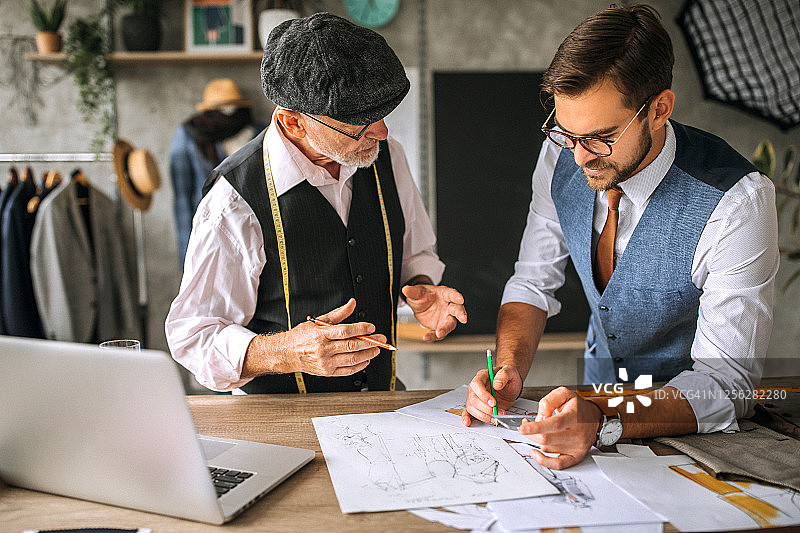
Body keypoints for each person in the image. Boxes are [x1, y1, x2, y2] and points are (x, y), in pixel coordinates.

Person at [463, 4, 778, 469]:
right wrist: (508, 366)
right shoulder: (563, 158)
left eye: (600, 137)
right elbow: (531, 283)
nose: (580, 156)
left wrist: (608, 415)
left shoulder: (737, 201)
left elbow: (726, 383)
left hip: (698, 427)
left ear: (659, 110)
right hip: (599, 394)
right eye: (566, 134)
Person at [166, 12, 467, 394]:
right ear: (294, 123)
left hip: (378, 403)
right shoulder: (232, 201)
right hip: (281, 424)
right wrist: (286, 352)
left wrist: (423, 289)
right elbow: (193, 338)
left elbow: (413, 254)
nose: (382, 131)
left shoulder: (386, 155)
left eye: (382, 114)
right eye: (359, 122)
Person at [169, 78, 264, 266]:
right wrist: (188, 254)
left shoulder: (261, 132)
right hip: (209, 231)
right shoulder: (191, 134)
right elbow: (182, 197)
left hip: (255, 233)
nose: (227, 111)